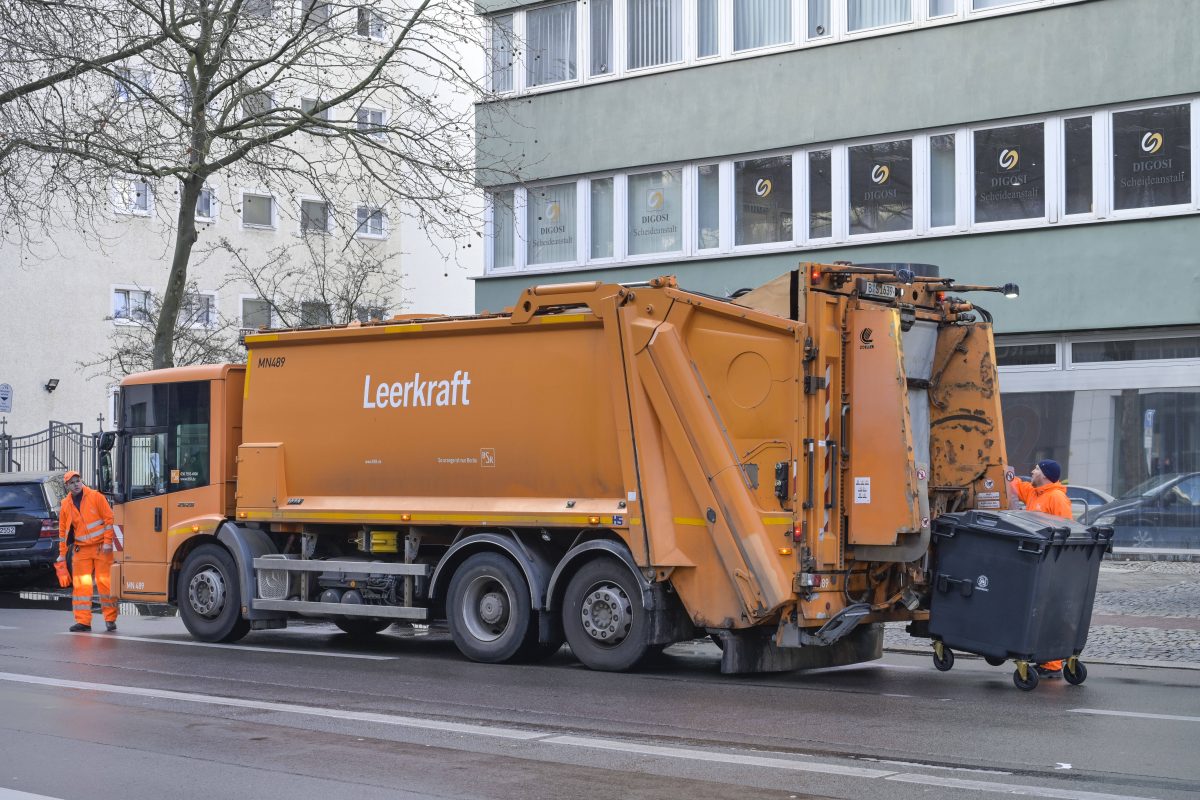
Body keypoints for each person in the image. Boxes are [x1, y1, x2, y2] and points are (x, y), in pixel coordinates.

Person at [1009, 459, 1071, 678]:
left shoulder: (1056, 498)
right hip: (1036, 562)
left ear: (1044, 474)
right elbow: (1015, 484)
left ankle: (1052, 665)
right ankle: (1043, 659)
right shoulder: (1035, 493)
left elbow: (1066, 529)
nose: (1032, 471)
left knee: (1049, 612)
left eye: (1036, 468)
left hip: (1051, 563)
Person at [57, 470, 118, 632]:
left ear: (81, 481)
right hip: (81, 549)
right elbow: (62, 532)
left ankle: (110, 619)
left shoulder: (96, 497)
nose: (76, 484)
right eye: (72, 482)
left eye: (77, 481)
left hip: (101, 549)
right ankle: (83, 621)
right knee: (81, 587)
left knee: (105, 584)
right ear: (67, 486)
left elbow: (109, 519)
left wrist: (107, 542)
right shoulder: (65, 504)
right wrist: (62, 555)